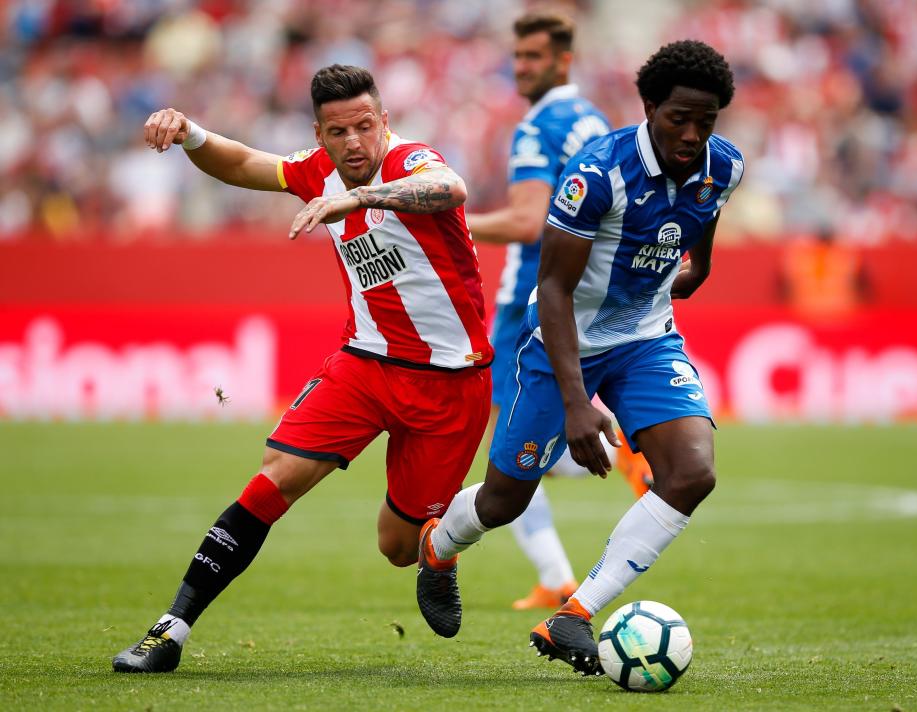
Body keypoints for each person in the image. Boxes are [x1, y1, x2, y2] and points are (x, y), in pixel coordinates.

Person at [113, 64, 492, 673]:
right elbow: (240, 164)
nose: (353, 143)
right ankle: (172, 629)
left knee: (397, 548)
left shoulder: (411, 162)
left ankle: (442, 550)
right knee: (276, 477)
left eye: (365, 127)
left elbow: (452, 188)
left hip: (450, 384)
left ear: (385, 123)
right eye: (338, 133)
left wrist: (358, 196)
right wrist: (190, 134)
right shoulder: (319, 167)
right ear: (321, 133)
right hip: (365, 364)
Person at [415, 40, 743, 676]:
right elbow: (556, 289)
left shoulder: (722, 166)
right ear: (650, 106)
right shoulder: (598, 174)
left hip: (647, 342)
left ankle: (574, 614)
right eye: (680, 119)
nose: (693, 134)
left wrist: (692, 272)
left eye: (707, 121)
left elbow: (699, 236)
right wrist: (576, 406)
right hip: (562, 341)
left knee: (693, 472)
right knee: (506, 498)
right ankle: (437, 545)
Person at [465, 11, 615, 611]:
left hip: (531, 295)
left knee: (508, 442)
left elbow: (529, 222)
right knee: (528, 439)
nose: (521, 67)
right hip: (582, 291)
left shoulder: (538, 127)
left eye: (533, 57)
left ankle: (558, 570)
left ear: (563, 61)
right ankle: (556, 573)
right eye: (518, 56)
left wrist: (447, 222)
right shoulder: (594, 122)